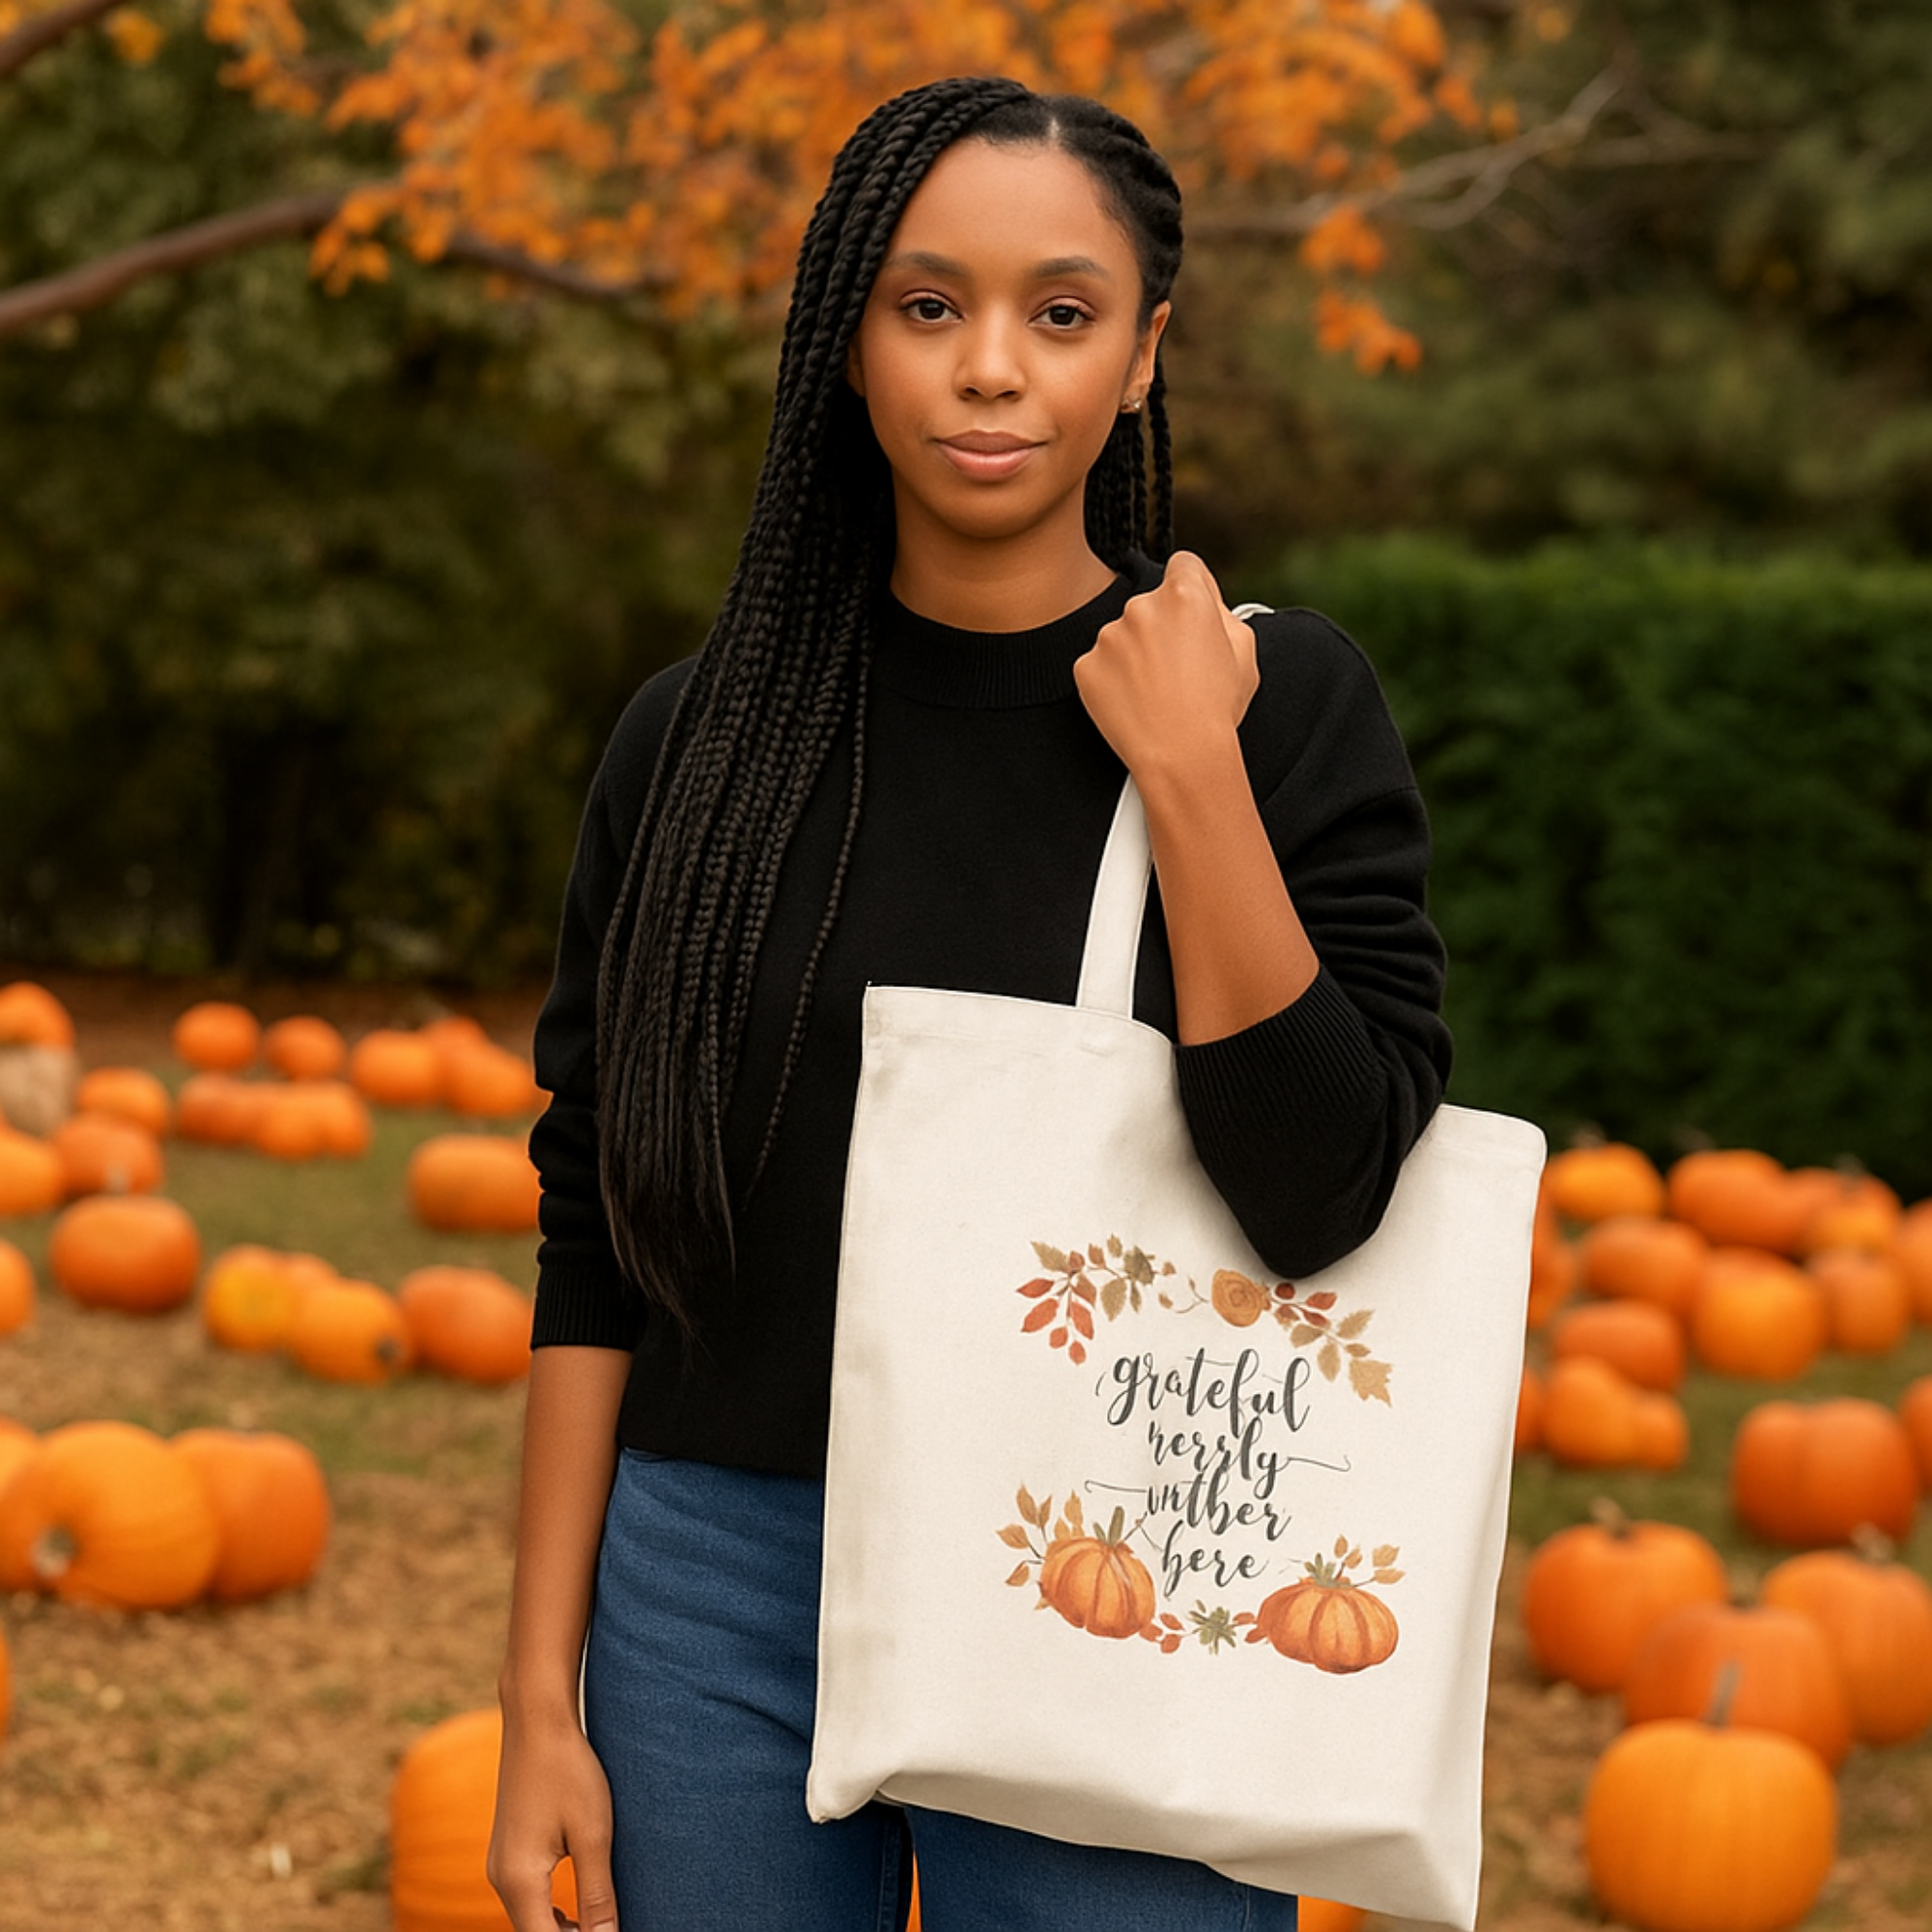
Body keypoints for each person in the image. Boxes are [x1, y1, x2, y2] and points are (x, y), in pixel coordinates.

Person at [488, 73, 1451, 1932]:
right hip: (716, 1589)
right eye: (928, 308)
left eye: (1060, 313)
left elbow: (1325, 1189)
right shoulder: (695, 747)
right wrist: (543, 1694)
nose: (990, 368)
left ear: (1145, 351)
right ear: (850, 342)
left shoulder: (1280, 709)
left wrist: (1190, 777)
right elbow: (591, 1225)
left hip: (1114, 1559)